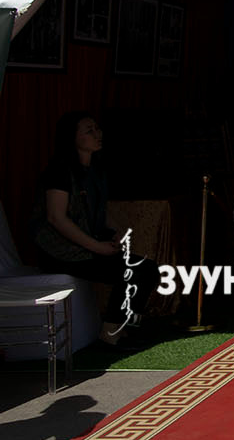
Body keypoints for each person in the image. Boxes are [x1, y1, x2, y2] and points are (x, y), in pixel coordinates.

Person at [32, 112, 160, 345]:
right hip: (60, 252)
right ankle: (110, 334)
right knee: (135, 272)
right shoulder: (59, 171)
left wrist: (115, 232)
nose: (97, 134)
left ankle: (123, 327)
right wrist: (96, 247)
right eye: (89, 131)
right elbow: (56, 218)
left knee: (148, 269)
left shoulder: (95, 170)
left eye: (97, 129)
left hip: (87, 246)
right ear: (72, 138)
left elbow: (97, 211)